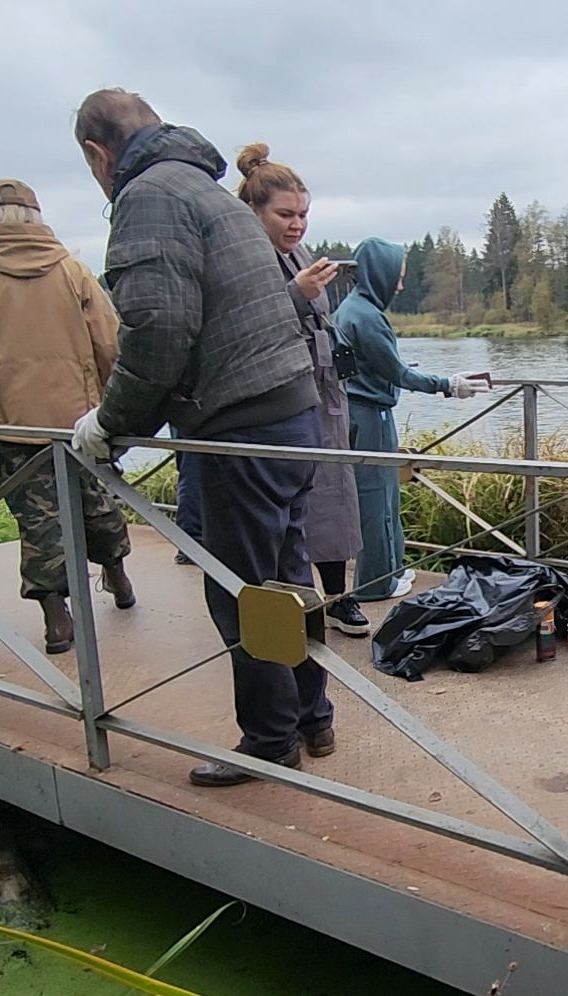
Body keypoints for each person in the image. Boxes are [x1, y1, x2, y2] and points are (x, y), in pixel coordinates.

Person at [68, 88, 334, 783]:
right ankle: (314, 716)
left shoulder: (150, 199)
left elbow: (156, 332)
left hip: (237, 425)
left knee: (241, 588)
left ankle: (271, 742)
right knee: (286, 575)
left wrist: (109, 425)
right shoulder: (210, 190)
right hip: (292, 412)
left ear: (99, 154)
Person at [0, 178, 136, 654]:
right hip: (80, 419)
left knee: (38, 520)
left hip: (14, 425)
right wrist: (112, 406)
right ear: (37, 216)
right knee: (96, 501)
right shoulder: (71, 268)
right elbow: (109, 340)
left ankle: (56, 618)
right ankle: (117, 574)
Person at [232, 143, 367, 636]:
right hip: (277, 403)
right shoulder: (242, 257)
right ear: (253, 211)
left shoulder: (299, 253)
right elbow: (242, 330)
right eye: (285, 214)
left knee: (333, 498)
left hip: (321, 395)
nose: (297, 224)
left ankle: (338, 595)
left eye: (304, 214)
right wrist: (298, 295)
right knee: (287, 513)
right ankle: (293, 608)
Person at [336, 238, 487, 603]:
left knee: (381, 497)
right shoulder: (368, 317)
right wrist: (448, 386)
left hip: (356, 414)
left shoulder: (351, 308)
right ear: (381, 275)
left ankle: (389, 569)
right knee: (376, 501)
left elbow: (377, 366)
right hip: (369, 417)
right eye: (397, 276)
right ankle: (376, 584)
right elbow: (398, 373)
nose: (400, 285)